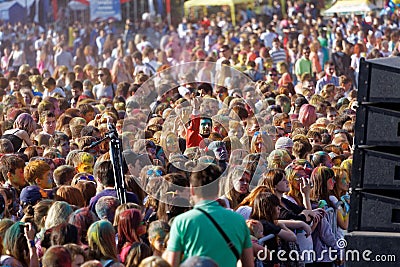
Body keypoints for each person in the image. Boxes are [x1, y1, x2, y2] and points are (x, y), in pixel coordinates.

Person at [163, 163, 254, 267]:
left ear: (192, 189)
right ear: (219, 187)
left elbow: (172, 264)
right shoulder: (239, 220)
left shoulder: (181, 222)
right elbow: (249, 264)